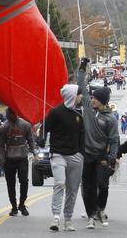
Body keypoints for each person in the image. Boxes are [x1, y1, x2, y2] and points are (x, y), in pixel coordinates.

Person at [42, 63, 85, 232]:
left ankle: (68, 218)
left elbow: (82, 135)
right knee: (60, 183)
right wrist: (40, 138)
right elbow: (45, 129)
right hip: (58, 154)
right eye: (79, 95)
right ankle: (55, 217)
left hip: (75, 156)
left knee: (73, 188)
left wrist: (81, 154)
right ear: (72, 95)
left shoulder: (78, 115)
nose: (81, 98)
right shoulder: (55, 112)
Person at [79, 60, 119, 229]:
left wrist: (111, 158)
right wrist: (82, 68)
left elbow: (114, 140)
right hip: (87, 155)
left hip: (102, 157)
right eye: (92, 97)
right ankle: (90, 214)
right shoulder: (88, 108)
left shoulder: (110, 119)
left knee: (102, 185)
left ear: (102, 101)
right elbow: (81, 85)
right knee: (87, 187)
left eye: (95, 98)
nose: (92, 99)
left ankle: (100, 208)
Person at [0, 107, 37, 217]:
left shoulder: (25, 125)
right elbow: (1, 144)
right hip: (9, 160)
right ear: (8, 114)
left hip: (22, 158)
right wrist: (2, 158)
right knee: (10, 184)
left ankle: (22, 204)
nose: (13, 115)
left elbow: (30, 140)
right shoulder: (4, 127)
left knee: (24, 181)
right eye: (11, 113)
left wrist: (35, 153)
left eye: (14, 113)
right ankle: (14, 206)